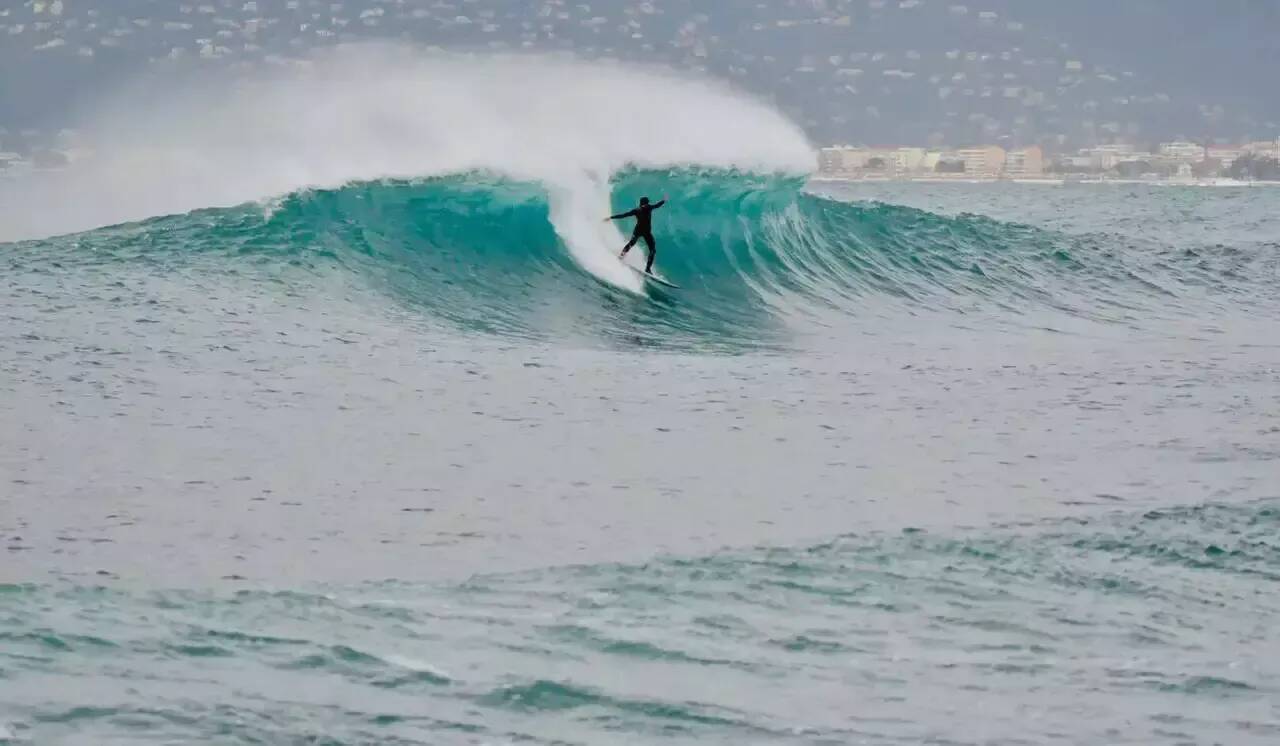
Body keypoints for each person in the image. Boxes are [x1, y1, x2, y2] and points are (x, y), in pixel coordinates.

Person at [605, 195, 668, 274]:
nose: (647, 205)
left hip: (647, 232)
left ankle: (647, 269)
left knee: (653, 250)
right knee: (631, 243)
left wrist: (664, 200)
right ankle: (621, 256)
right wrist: (611, 217)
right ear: (642, 204)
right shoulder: (637, 210)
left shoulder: (649, 208)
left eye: (647, 204)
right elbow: (624, 215)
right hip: (638, 231)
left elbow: (657, 205)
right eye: (646, 204)